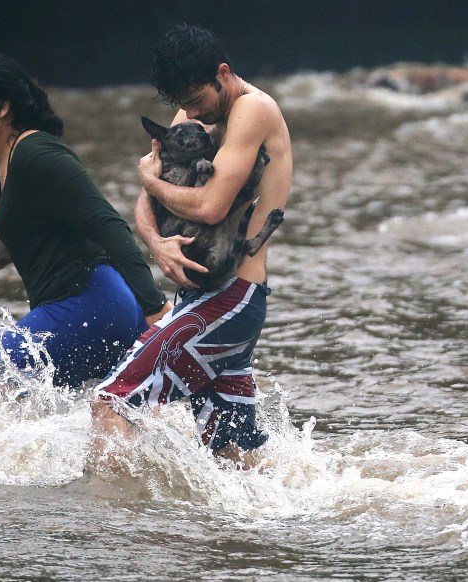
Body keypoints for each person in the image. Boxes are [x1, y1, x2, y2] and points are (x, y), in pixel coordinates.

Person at [92, 24, 293, 462]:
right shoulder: (190, 115)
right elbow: (148, 201)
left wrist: (147, 176)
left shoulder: (252, 109)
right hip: (203, 298)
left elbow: (210, 207)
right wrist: (156, 242)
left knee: (111, 401)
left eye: (197, 101)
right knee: (229, 457)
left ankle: (111, 529)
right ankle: (265, 529)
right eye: (183, 106)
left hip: (232, 298)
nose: (192, 115)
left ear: (222, 74)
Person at [0, 53, 172, 387]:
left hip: (93, 304)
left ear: (1, 107)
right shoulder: (4, 159)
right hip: (88, 309)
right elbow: (46, 235)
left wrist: (156, 308)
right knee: (104, 425)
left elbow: (108, 225)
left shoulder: (39, 155)